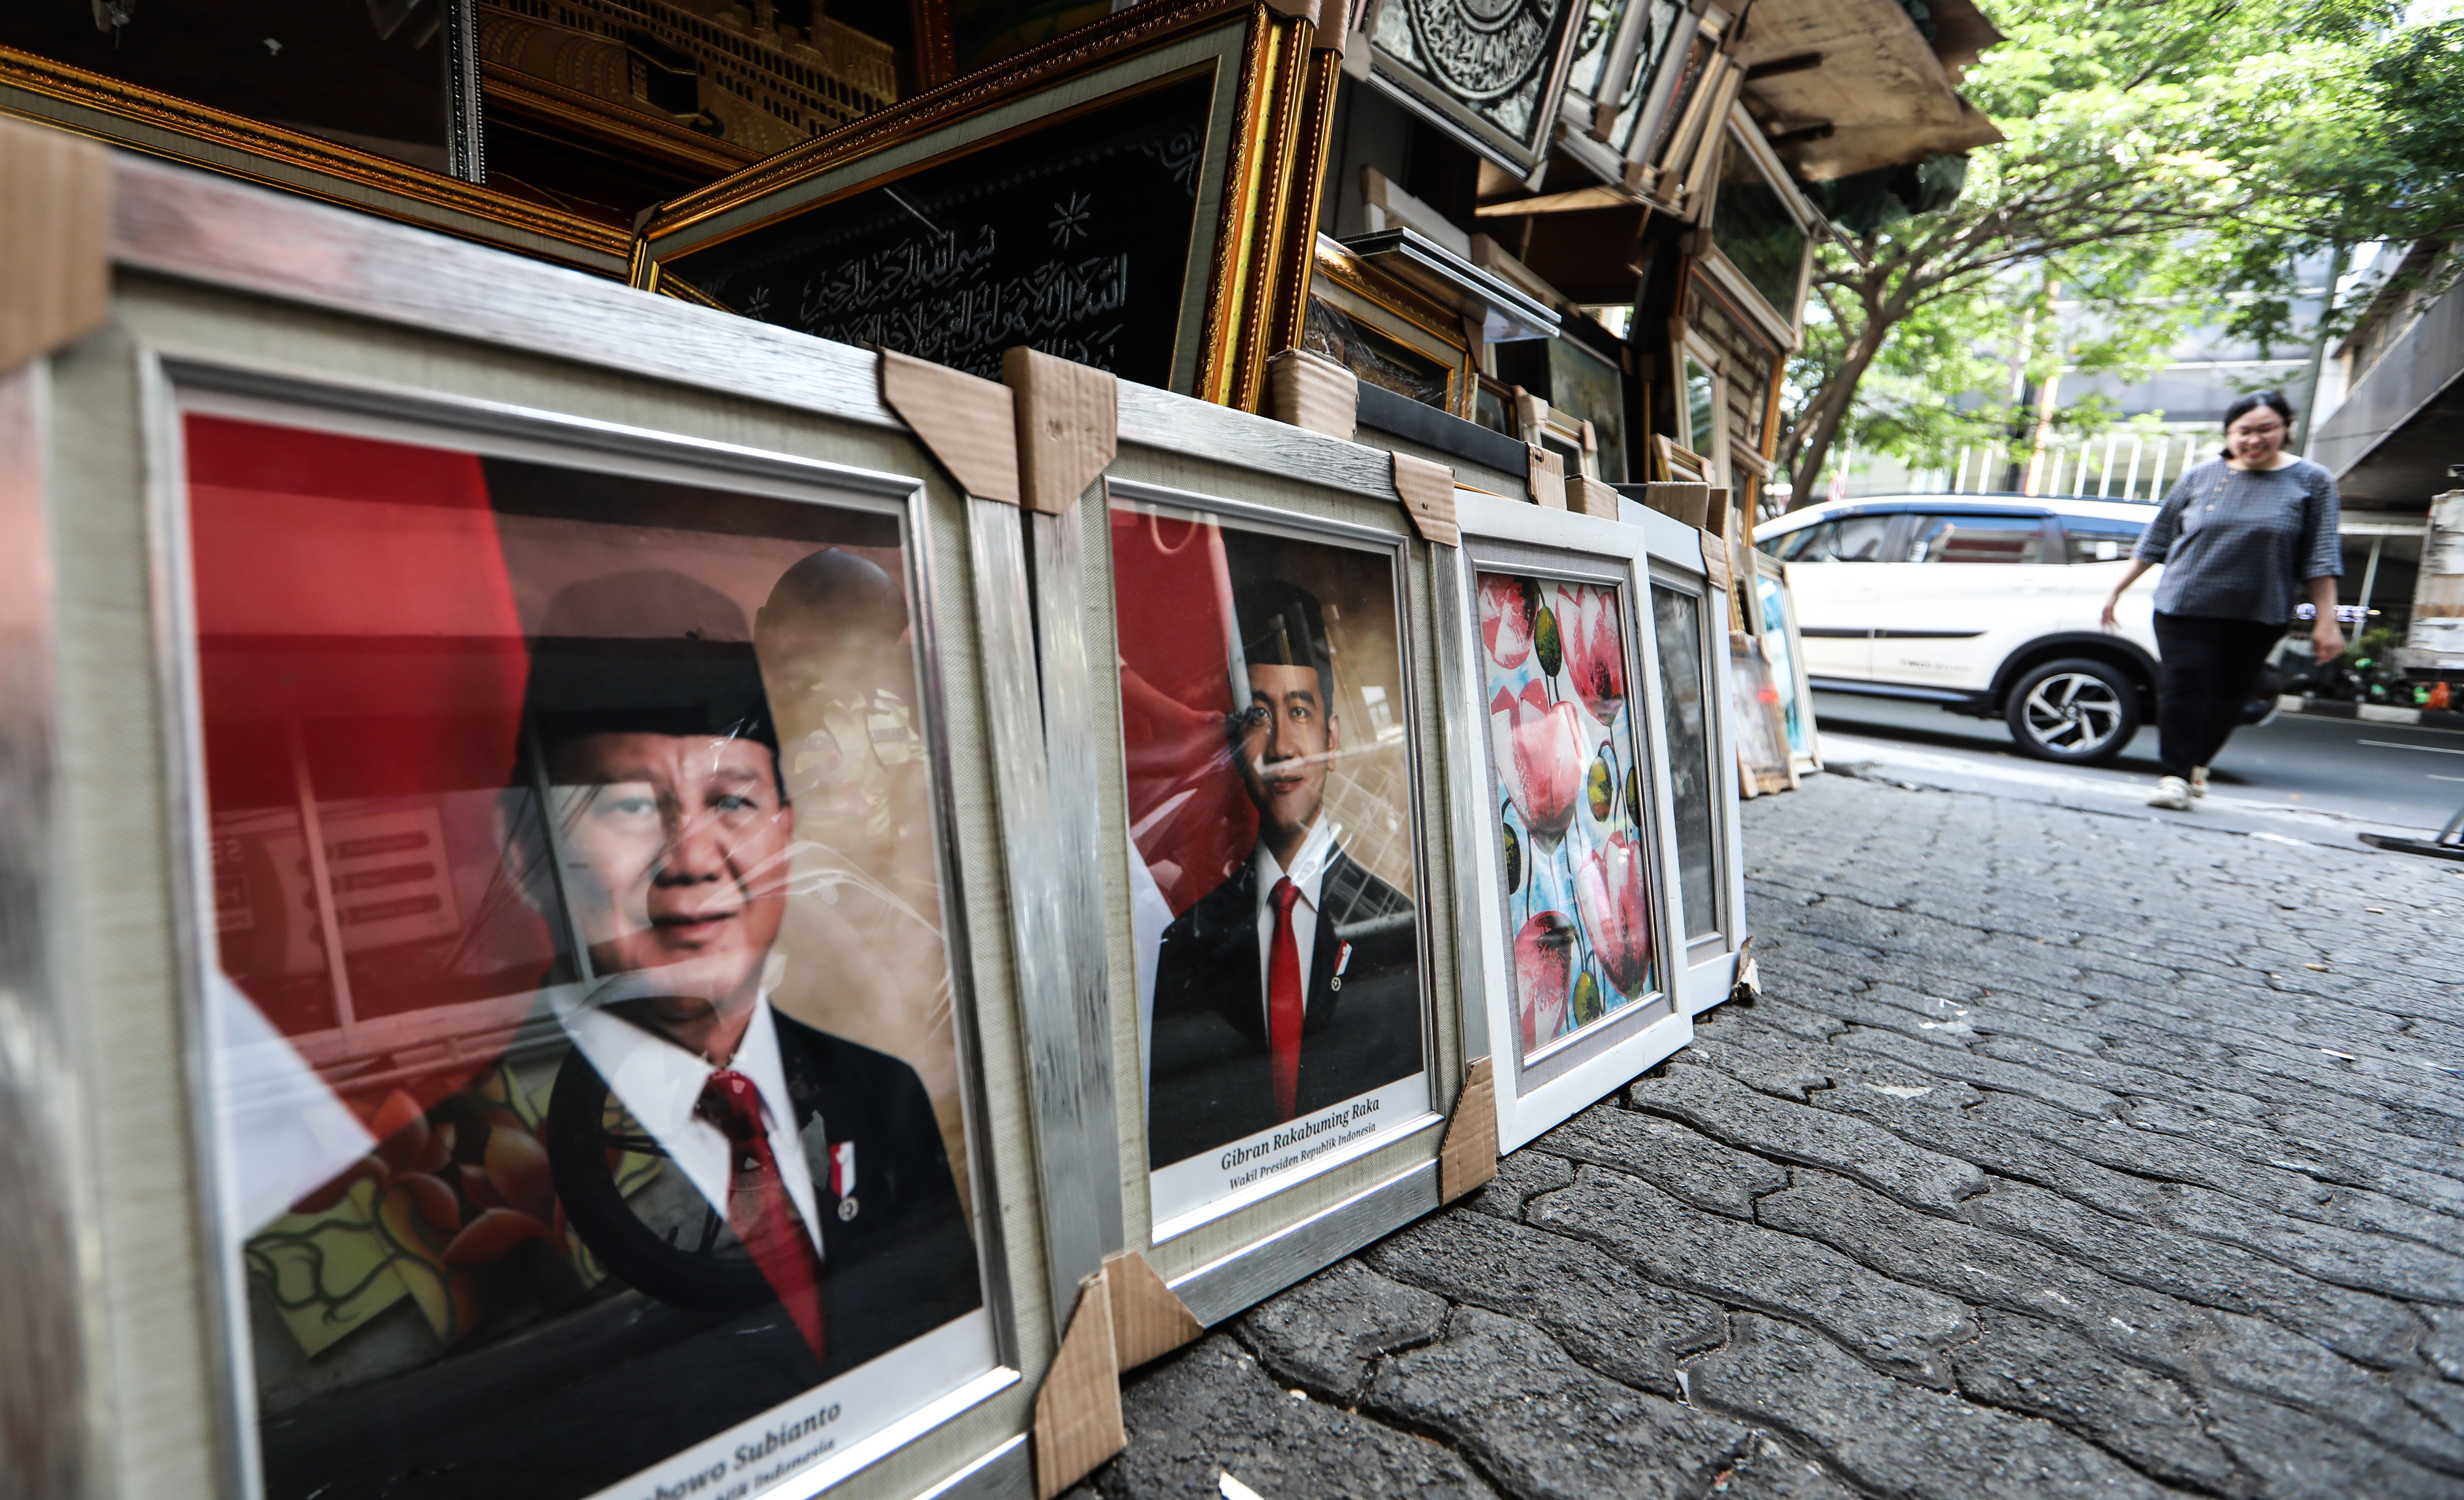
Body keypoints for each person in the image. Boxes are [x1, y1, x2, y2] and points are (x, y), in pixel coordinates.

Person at [518, 568, 978, 1380]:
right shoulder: (744, 727)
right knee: (882, 1035)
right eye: (818, 636)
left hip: (892, 900)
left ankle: (916, 1186)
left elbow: (925, 799)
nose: (828, 663)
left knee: (918, 1017)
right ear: (768, 628)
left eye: (854, 642)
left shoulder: (885, 713)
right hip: (810, 901)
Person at [1145, 579, 1421, 1169]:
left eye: (1299, 711)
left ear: (1332, 738)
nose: (1283, 748)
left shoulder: (1397, 926)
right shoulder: (1184, 943)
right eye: (1258, 716)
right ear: (1233, 739)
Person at [2101, 390, 2342, 811]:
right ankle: (2175, 777)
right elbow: (2157, 539)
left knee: (2230, 694)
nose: (2254, 440)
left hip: (2260, 609)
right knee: (2186, 683)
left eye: (2266, 429)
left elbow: (2320, 555)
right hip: (2185, 602)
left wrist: (2328, 621)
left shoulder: (2313, 480)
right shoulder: (2200, 476)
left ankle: (2196, 765)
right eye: (2243, 431)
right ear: (2229, 433)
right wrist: (2117, 588)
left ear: (2286, 429)